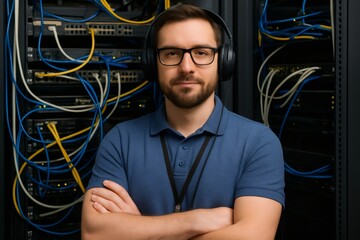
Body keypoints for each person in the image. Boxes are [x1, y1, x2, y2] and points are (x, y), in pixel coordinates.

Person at [81, 4, 285, 240]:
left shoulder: (259, 143)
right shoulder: (120, 140)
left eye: (201, 52)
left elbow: (253, 236)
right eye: (171, 53)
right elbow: (95, 234)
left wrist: (137, 229)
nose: (186, 67)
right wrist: (200, 220)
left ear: (223, 60)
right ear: (152, 63)